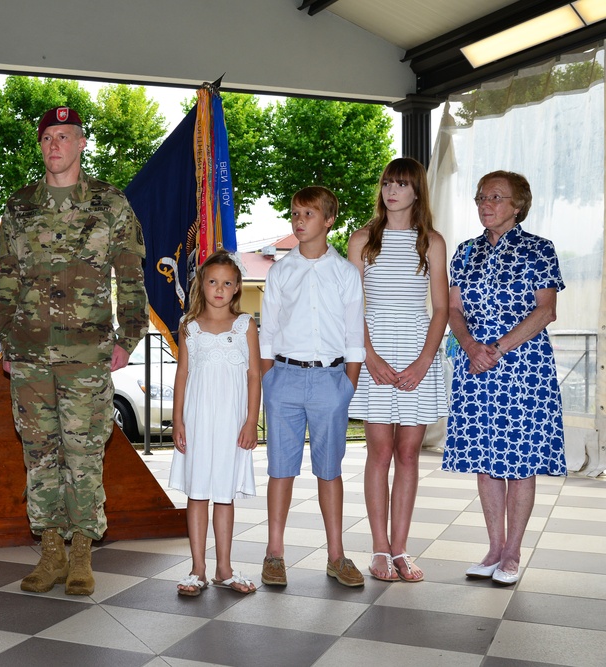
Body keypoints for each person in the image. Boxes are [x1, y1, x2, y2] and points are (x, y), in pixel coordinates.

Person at [0, 106, 148, 596]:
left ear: (82, 143)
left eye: (64, 136)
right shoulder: (20, 206)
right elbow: (8, 281)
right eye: (47, 138)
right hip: (32, 355)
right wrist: (6, 342)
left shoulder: (109, 203)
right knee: (39, 454)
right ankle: (50, 552)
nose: (54, 145)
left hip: (88, 355)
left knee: (84, 455)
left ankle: (82, 550)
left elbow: (130, 275)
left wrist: (128, 338)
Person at [444, 171, 566, 586]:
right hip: (476, 368)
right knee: (486, 460)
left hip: (523, 368)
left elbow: (545, 311)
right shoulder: (464, 252)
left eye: (496, 197)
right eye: (481, 196)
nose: (485, 203)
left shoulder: (539, 250)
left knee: (520, 460)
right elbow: (454, 310)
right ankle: (493, 549)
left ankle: (513, 553)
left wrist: (496, 348)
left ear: (518, 205)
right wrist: (471, 347)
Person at [347, 158, 448, 583]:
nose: (392, 191)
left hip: (417, 348)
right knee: (380, 452)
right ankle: (378, 550)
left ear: (417, 192)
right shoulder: (363, 239)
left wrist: (425, 361)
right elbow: (351, 307)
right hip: (375, 347)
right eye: (388, 182)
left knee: (408, 453)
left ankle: (402, 549)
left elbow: (441, 308)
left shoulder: (433, 242)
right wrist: (368, 355)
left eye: (402, 185)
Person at [259, 186, 366, 588]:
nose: (299, 221)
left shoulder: (344, 273)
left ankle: (336, 556)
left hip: (330, 380)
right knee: (280, 470)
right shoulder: (280, 271)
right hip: (283, 379)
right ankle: (274, 553)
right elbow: (267, 332)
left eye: (308, 214)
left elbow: (355, 333)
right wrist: (270, 380)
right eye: (295, 213)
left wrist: (346, 385)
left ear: (329, 220)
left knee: (329, 470)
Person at [169, 250, 260, 596]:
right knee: (198, 492)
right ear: (201, 285)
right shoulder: (189, 327)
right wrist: (178, 419)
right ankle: (197, 568)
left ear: (236, 288)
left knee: (224, 494)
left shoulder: (245, 326)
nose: (219, 289)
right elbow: (182, 375)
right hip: (198, 420)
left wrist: (251, 420)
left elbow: (254, 376)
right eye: (212, 282)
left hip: (231, 422)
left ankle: (224, 568)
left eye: (226, 283)